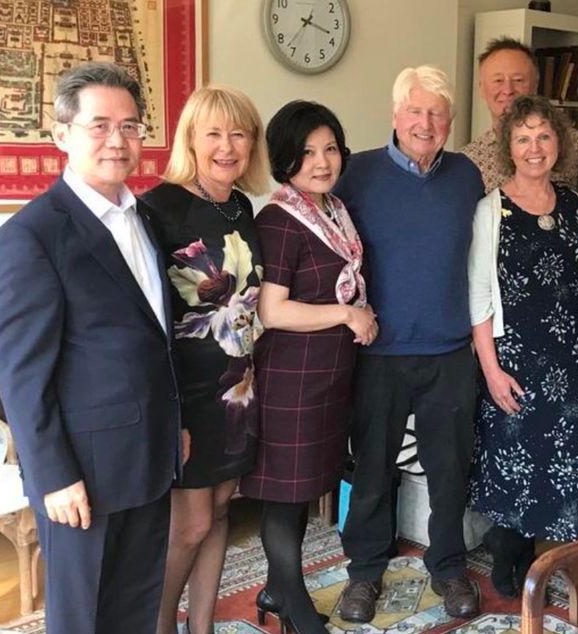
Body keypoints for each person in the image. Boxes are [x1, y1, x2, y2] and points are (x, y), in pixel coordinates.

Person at [0, 62, 181, 634]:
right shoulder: (31, 236)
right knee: (83, 619)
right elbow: (21, 373)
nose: (117, 141)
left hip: (148, 457)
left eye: (130, 126)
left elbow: (155, 339)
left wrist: (176, 427)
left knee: (135, 608)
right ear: (62, 134)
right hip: (82, 476)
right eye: (100, 126)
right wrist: (52, 475)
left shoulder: (144, 217)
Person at [334, 65, 485, 623]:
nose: (426, 123)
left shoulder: (467, 176)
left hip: (449, 351)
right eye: (416, 111)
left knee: (450, 471)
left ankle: (448, 567)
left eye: (437, 114)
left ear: (449, 122)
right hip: (379, 354)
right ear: (396, 115)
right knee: (373, 469)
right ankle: (364, 573)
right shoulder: (357, 175)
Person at [467, 95, 578, 598]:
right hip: (517, 361)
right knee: (517, 462)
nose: (535, 148)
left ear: (559, 143)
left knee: (573, 465)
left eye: (544, 136)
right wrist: (490, 370)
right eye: (523, 138)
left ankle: (564, 562)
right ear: (509, 147)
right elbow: (479, 296)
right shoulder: (491, 210)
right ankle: (511, 561)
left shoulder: (575, 202)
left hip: (577, 360)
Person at [239, 100, 375, 634]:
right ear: (285, 158)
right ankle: (296, 612)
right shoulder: (280, 219)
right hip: (291, 378)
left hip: (329, 376)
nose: (322, 161)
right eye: (308, 152)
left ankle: (275, 590)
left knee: (301, 493)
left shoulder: (334, 209)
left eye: (331, 148)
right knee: (283, 496)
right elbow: (273, 311)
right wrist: (347, 312)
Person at [140, 84, 269, 634]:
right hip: (187, 394)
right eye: (213, 133)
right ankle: (160, 624)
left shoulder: (241, 205)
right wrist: (168, 415)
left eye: (239, 133)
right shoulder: (157, 208)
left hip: (238, 385)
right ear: (190, 139)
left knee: (219, 510)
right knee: (189, 525)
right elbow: (147, 319)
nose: (226, 145)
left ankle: (204, 627)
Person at [462, 36, 578, 194]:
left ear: (536, 85)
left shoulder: (577, 146)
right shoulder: (467, 160)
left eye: (518, 80)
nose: (508, 90)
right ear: (482, 88)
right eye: (498, 80)